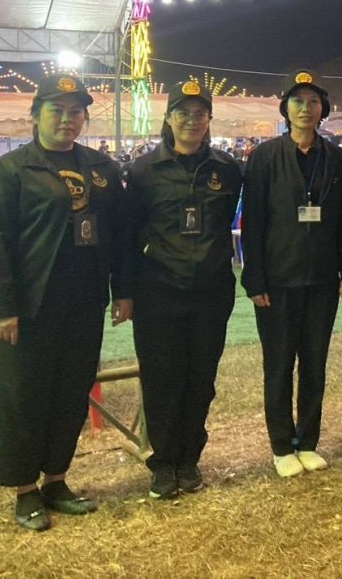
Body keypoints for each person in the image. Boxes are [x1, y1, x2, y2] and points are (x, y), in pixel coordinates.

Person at [0, 75, 130, 531]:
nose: (67, 119)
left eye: (75, 111)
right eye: (56, 110)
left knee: (71, 392)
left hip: (83, 300)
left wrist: (123, 290)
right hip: (28, 306)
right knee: (24, 396)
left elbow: (120, 235)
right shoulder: (11, 171)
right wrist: (2, 307)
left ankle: (56, 480)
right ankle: (25, 489)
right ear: (35, 114)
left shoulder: (102, 168)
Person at [124, 81, 243, 499]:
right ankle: (162, 463)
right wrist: (125, 291)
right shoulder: (143, 170)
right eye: (183, 113)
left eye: (200, 113)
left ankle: (190, 459)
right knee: (161, 378)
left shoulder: (228, 169)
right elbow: (128, 233)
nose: (192, 120)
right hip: (158, 291)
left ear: (209, 119)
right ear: (168, 118)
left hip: (211, 291)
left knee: (201, 379)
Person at [242, 70, 342, 478]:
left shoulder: (334, 157)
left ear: (322, 109)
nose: (305, 109)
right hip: (277, 279)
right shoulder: (265, 157)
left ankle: (307, 441)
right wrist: (255, 278)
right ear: (285, 109)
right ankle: (281, 445)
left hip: (322, 278)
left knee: (314, 363)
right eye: (297, 102)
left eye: (313, 102)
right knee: (278, 364)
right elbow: (253, 221)